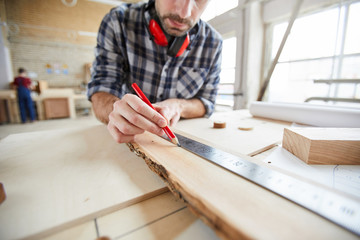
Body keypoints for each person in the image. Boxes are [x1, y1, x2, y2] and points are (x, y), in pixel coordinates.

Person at [88, 0, 222, 143]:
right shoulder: (117, 21)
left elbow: (207, 102)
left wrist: (178, 106)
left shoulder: (213, 42)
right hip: (128, 138)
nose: (184, 13)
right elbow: (101, 89)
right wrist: (114, 110)